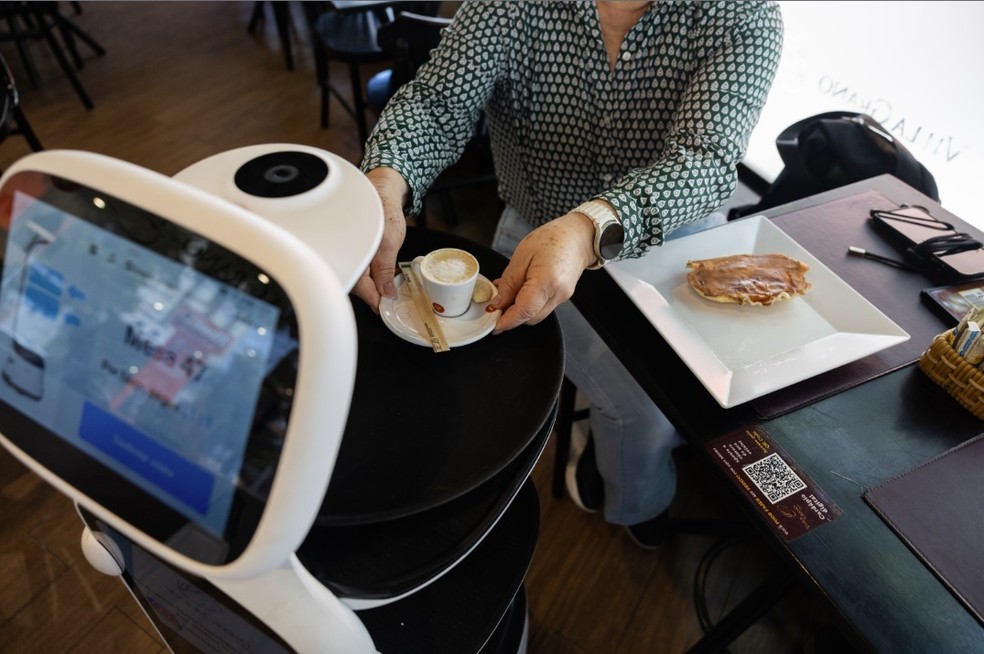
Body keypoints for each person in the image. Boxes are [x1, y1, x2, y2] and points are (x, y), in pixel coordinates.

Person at [354, 1, 783, 547]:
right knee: (641, 406)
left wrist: (587, 230)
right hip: (534, 232)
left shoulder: (741, 14)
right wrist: (386, 184)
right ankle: (637, 505)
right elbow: (439, 103)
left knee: (717, 381)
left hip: (677, 239)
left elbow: (707, 158)